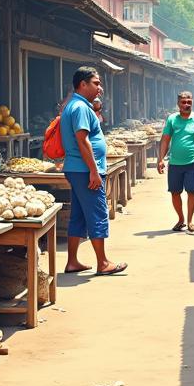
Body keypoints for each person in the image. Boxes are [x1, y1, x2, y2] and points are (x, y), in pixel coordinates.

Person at [61, 66, 126, 276]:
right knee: (98, 214)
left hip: (77, 169)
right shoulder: (80, 107)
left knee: (78, 216)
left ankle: (72, 261)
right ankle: (103, 262)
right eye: (96, 83)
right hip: (85, 170)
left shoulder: (76, 105)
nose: (100, 88)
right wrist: (94, 171)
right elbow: (82, 139)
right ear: (83, 84)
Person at [158, 91, 194, 232]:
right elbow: (165, 140)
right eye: (183, 102)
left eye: (189, 102)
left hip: (192, 162)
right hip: (175, 163)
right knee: (175, 192)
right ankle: (180, 219)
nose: (186, 105)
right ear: (178, 104)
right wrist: (161, 159)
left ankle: (190, 221)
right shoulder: (172, 119)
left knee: (191, 192)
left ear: (192, 102)